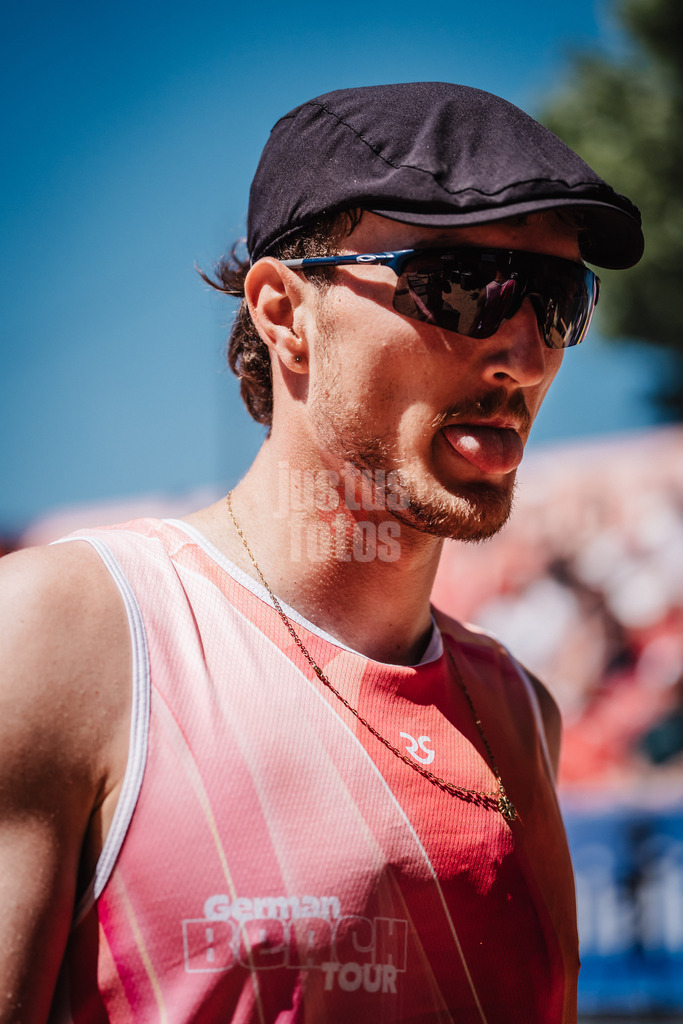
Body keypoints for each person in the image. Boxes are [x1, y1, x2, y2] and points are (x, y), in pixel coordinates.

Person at [0, 82, 643, 1024]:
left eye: (554, 302)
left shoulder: (518, 714)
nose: (525, 355)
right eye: (462, 286)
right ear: (284, 311)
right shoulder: (68, 640)